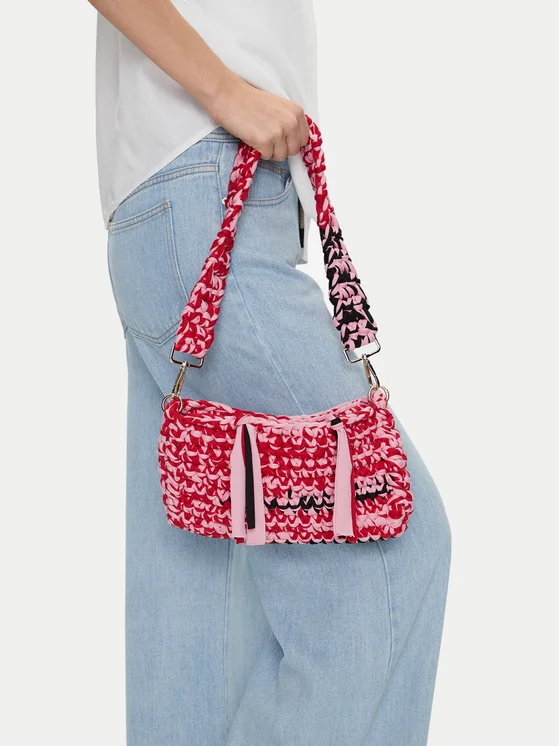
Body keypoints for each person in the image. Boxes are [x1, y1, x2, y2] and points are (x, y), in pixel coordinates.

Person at [89, 1, 452, 743]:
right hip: (209, 184)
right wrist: (224, 90)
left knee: (197, 605)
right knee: (390, 551)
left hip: (180, 206)